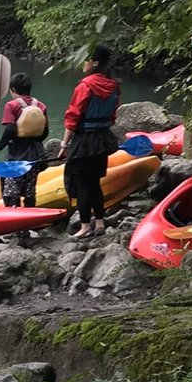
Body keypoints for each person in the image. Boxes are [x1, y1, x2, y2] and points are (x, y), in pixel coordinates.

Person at [58, 44, 121, 238]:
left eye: (85, 59)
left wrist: (64, 145)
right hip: (102, 140)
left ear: (94, 62)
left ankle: (85, 227)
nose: (82, 63)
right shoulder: (114, 86)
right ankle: (100, 223)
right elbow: (112, 116)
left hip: (85, 140)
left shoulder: (85, 86)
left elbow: (73, 117)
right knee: (95, 182)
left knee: (83, 183)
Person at [0, 72, 49, 207]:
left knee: (11, 191)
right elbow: (45, 132)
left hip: (17, 156)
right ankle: (29, 221)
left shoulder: (12, 105)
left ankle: (13, 220)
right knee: (29, 191)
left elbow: (10, 129)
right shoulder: (40, 106)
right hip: (35, 155)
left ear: (13, 90)